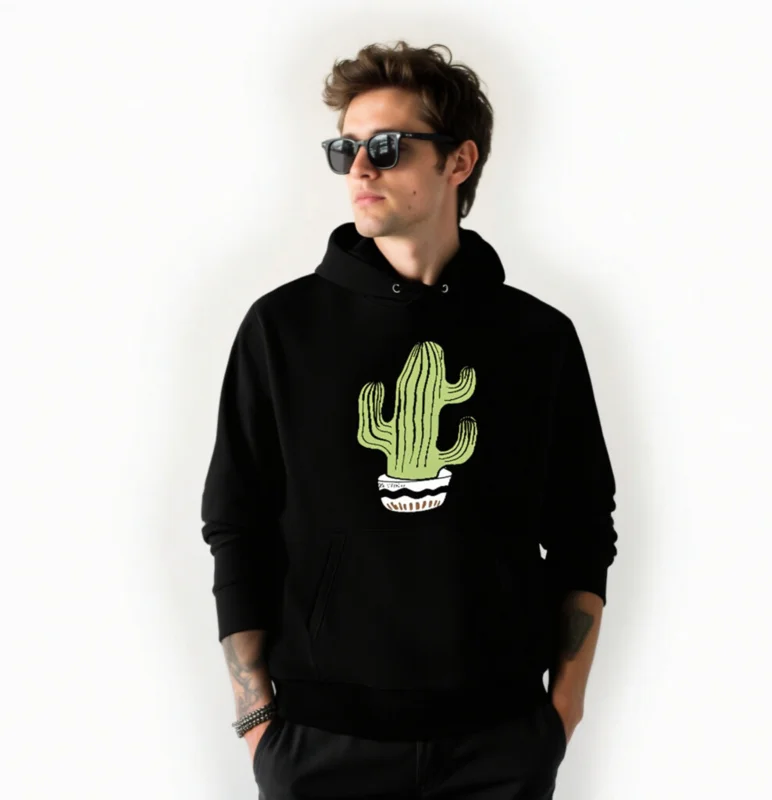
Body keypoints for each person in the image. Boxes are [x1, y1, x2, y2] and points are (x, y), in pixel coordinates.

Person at [201, 40, 618, 800]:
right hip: (321, 746)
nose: (361, 169)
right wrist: (257, 718)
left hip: (499, 745)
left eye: (388, 147)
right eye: (346, 149)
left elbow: (584, 528)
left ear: (459, 161)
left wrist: (564, 708)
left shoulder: (537, 337)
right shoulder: (281, 328)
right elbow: (237, 524)